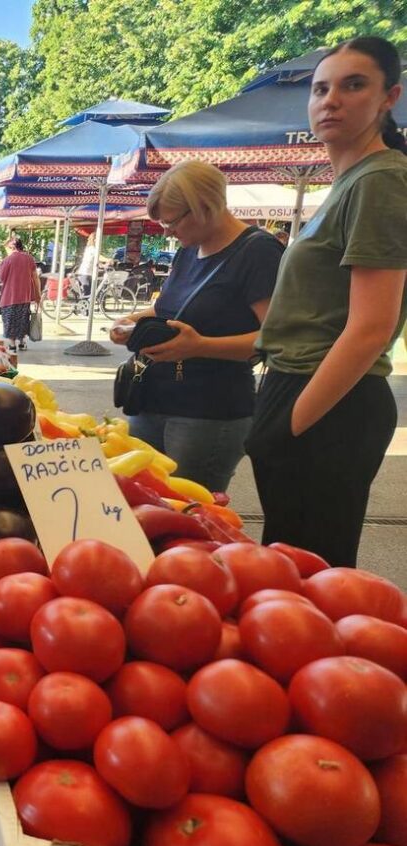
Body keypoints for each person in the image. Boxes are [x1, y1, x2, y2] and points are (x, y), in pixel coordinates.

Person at [246, 36, 407, 567]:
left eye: (353, 85)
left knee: (310, 579)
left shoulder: (381, 180)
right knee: (288, 574)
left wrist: (291, 423)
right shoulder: (349, 182)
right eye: (320, 89)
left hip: (331, 401)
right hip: (301, 386)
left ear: (390, 97)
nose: (330, 100)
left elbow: (371, 327)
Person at [108, 160, 284, 492]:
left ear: (205, 208)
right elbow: (165, 308)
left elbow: (277, 336)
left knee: (187, 515)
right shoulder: (187, 251)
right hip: (152, 398)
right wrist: (130, 322)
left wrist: (200, 346)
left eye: (171, 221)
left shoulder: (258, 251)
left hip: (209, 411)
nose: (166, 231)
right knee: (138, 503)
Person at [0, 237, 42, 353]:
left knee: (10, 319)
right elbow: (35, 277)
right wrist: (38, 294)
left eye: (7, 248)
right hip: (25, 296)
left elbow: (1, 278)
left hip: (9, 296)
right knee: (23, 319)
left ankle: (12, 345)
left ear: (12, 247)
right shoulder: (29, 259)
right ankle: (22, 343)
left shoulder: (7, 260)